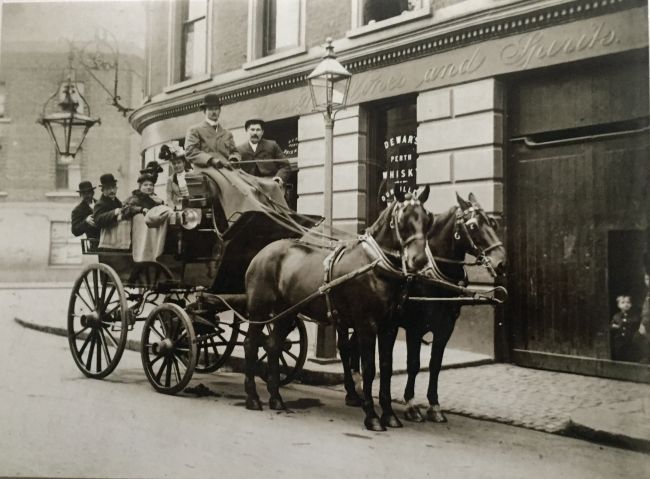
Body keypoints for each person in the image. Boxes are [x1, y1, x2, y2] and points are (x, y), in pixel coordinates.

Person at [184, 93, 241, 170]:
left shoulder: (227, 133)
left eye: (216, 109)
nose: (214, 112)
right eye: (210, 109)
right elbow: (191, 152)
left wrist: (234, 159)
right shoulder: (195, 130)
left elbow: (234, 152)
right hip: (206, 169)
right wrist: (211, 160)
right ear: (204, 111)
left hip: (227, 168)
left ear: (220, 111)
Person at [236, 118, 291, 186]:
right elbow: (235, 170)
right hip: (249, 186)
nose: (255, 133)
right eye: (252, 129)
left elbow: (285, 166)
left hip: (270, 184)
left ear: (262, 132)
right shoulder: (239, 149)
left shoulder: (272, 145)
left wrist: (278, 178)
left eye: (258, 130)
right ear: (247, 131)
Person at [610, 295, 640, 362]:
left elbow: (636, 324)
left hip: (630, 340)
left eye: (628, 302)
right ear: (618, 305)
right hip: (619, 340)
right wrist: (614, 326)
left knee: (630, 355)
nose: (626, 304)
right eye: (623, 302)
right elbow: (611, 326)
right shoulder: (616, 316)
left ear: (631, 304)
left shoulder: (634, 316)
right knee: (619, 355)